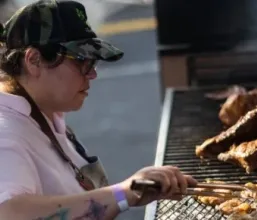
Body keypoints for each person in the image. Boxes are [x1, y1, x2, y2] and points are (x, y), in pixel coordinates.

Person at [0, 0, 197, 219]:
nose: (92, 74)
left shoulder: (45, 113)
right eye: (82, 61)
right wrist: (124, 192)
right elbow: (8, 212)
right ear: (34, 60)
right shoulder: (6, 132)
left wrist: (130, 193)